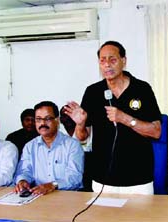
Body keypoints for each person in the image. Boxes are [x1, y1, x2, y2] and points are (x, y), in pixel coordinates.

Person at [65, 41, 162, 195]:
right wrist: (80, 124)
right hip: (103, 179)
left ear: (124, 61)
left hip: (138, 178)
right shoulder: (93, 92)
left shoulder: (142, 89)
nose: (107, 65)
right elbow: (83, 138)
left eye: (112, 59)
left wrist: (124, 118)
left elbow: (156, 132)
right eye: (102, 60)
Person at [14, 101, 84, 195]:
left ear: (57, 120)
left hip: (68, 196)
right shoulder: (30, 146)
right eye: (38, 119)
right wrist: (22, 181)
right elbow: (25, 171)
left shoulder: (72, 145)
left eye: (47, 119)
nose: (42, 123)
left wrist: (53, 185)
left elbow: (75, 177)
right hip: (39, 195)